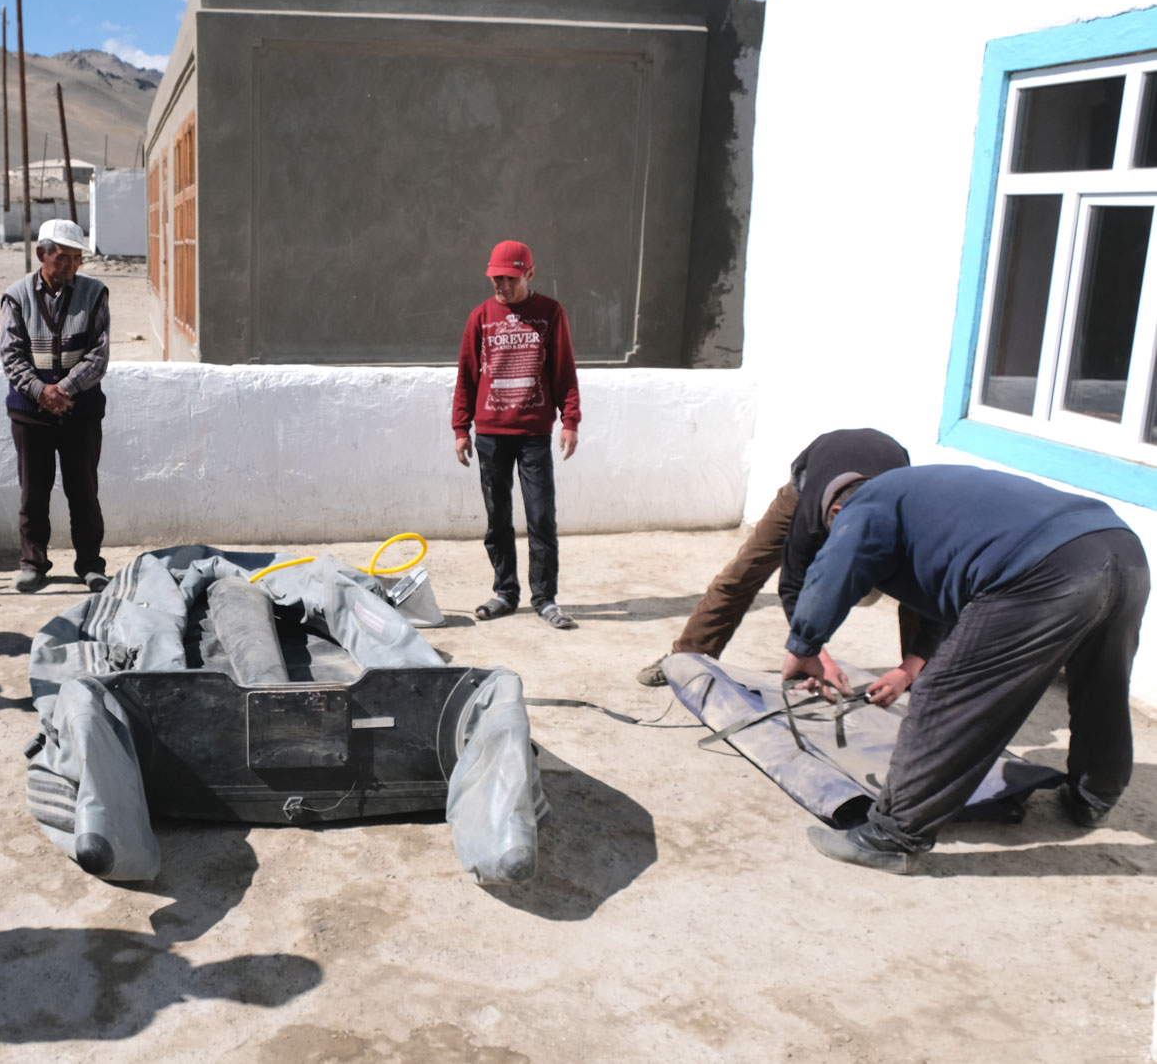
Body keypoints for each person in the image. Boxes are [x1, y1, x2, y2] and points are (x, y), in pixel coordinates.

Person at [781, 465, 1147, 873]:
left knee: (946, 695)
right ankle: (1093, 796)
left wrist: (804, 645)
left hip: (1042, 569)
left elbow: (839, 564)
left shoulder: (867, 503)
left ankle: (893, 836)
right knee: (1103, 684)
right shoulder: (926, 499)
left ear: (835, 511)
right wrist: (908, 669)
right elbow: (951, 597)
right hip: (1121, 549)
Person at [636, 428, 943, 686]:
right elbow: (793, 586)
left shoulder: (904, 514)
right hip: (809, 483)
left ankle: (926, 684)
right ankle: (686, 658)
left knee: (916, 592)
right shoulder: (807, 514)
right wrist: (813, 655)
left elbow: (931, 597)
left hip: (875, 478)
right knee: (744, 572)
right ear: (834, 514)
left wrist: (909, 671)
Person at [451, 239, 581, 630]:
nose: (501, 287)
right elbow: (466, 375)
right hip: (490, 433)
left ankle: (545, 598)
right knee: (498, 518)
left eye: (508, 279)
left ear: (529, 273)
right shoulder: (481, 316)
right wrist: (461, 428)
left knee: (541, 517)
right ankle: (505, 592)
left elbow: (564, 371)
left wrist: (570, 420)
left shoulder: (550, 313)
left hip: (533, 435)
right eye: (495, 279)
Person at [0, 218, 110, 593]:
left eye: (76, 259)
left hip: (81, 412)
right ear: (41, 254)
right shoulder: (16, 296)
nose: (70, 266)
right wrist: (41, 393)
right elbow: (11, 355)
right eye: (62, 257)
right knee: (34, 491)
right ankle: (33, 562)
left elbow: (98, 354)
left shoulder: (95, 294)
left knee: (83, 491)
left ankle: (91, 564)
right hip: (31, 414)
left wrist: (62, 390)